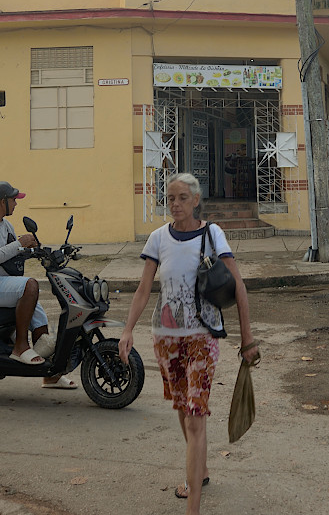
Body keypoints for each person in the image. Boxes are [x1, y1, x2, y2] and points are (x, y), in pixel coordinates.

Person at [119, 173, 259, 515]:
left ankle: (193, 507)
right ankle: (201, 471)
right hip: (165, 340)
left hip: (202, 338)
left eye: (182, 198)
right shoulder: (156, 239)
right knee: (182, 408)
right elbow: (143, 289)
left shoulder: (213, 235)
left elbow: (238, 286)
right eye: (170, 198)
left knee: (195, 417)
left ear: (196, 200)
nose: (175, 204)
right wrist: (127, 330)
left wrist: (248, 339)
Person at [0, 181, 73, 389]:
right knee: (30, 286)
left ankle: (50, 373)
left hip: (0, 282)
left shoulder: (5, 225)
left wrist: (36, 250)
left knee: (35, 304)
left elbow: (12, 254)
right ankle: (20, 347)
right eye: (13, 199)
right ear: (1, 202)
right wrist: (19, 244)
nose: (16, 203)